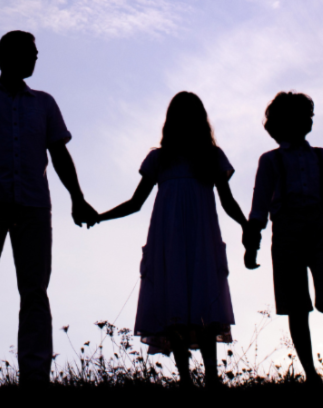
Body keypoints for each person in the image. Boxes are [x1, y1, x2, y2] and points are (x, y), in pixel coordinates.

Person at [0, 30, 98, 385]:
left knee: (34, 292)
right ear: (8, 55)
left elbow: (59, 154)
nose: (36, 56)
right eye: (31, 51)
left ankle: (34, 376)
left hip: (32, 206)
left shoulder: (44, 103)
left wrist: (77, 197)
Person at [95, 91, 248, 388]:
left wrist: (246, 225)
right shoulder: (159, 159)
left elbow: (227, 200)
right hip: (169, 240)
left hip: (202, 238)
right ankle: (186, 379)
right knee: (175, 299)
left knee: (205, 299)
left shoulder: (211, 158)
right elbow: (135, 202)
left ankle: (213, 378)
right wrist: (100, 216)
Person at [243, 91, 323, 385]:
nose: (307, 121)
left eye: (309, 117)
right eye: (301, 116)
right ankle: (311, 375)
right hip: (286, 232)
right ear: (279, 123)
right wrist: (253, 243)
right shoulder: (270, 161)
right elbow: (259, 206)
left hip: (321, 230)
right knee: (296, 306)